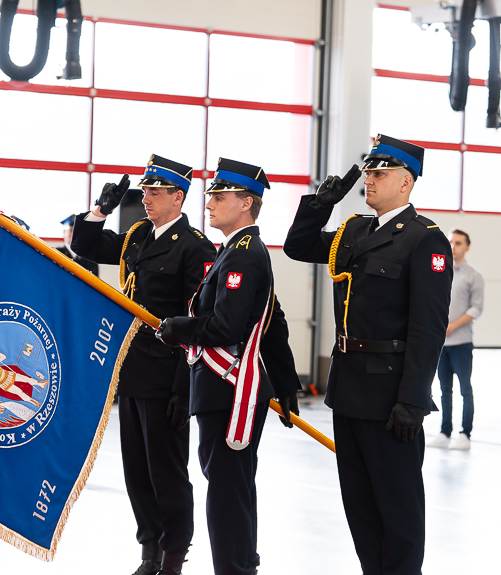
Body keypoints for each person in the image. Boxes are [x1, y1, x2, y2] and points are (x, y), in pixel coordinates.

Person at [283, 134, 452, 575]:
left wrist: (413, 400)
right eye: (369, 173)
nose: (369, 181)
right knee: (359, 506)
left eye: (380, 173)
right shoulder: (354, 230)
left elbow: (427, 328)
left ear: (407, 182)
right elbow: (298, 247)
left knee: (398, 509)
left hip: (391, 394)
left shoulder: (424, 240)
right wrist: (322, 204)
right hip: (349, 389)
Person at [71, 154, 217, 575]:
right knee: (136, 470)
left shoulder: (195, 248)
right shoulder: (137, 237)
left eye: (156, 193)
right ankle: (149, 549)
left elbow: (196, 321)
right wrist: (100, 210)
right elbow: (85, 245)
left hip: (166, 375)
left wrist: (181, 385)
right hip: (132, 369)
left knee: (167, 471)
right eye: (145, 192)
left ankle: (174, 554)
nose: (147, 199)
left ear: (179, 197)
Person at [156, 158, 301, 575]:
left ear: (246, 204)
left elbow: (226, 326)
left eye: (219, 196)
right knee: (233, 489)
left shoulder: (242, 255)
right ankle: (241, 565)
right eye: (211, 195)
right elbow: (273, 320)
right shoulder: (235, 251)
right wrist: (287, 380)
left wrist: (177, 328)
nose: (209, 203)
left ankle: (234, 569)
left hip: (227, 387)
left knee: (225, 493)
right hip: (226, 389)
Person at [427, 229, 484, 451]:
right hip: (441, 344)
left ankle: (465, 434)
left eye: (458, 243)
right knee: (443, 389)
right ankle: (444, 431)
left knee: (464, 389)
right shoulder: (439, 272)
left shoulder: (473, 275)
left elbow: (477, 308)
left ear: (466, 247)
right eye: (451, 242)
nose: (453, 246)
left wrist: (452, 326)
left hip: (461, 343)